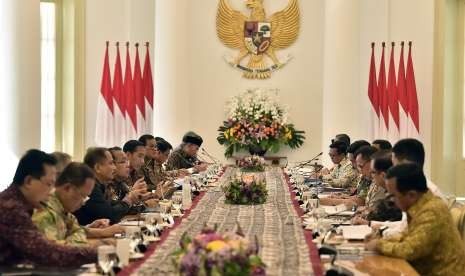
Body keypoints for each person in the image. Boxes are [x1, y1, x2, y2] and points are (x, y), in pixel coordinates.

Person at [0, 149, 96, 267]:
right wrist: (98, 253)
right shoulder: (11, 208)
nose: (51, 191)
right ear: (28, 181)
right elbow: (47, 252)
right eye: (49, 184)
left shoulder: (17, 203)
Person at [366, 163, 465, 275]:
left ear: (411, 195)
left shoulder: (432, 211)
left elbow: (410, 250)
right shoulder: (419, 206)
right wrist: (380, 239)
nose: (391, 201)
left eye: (393, 196)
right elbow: (407, 238)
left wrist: (378, 245)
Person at [33, 162, 124, 246]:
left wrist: (101, 231)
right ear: (67, 188)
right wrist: (99, 243)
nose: (83, 203)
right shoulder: (46, 212)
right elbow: (54, 249)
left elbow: (77, 230)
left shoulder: (62, 208)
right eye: (83, 196)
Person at [74, 147, 146, 225]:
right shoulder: (91, 187)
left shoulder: (101, 185)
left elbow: (114, 206)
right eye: (111, 163)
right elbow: (109, 215)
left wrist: (133, 199)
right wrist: (129, 199)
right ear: (98, 168)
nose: (114, 168)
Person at [352, 150, 402, 225]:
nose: (371, 175)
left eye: (373, 172)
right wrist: (370, 211)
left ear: (383, 175)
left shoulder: (399, 195)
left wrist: (368, 223)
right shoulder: (389, 191)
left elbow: (400, 226)